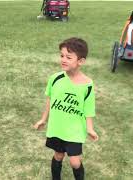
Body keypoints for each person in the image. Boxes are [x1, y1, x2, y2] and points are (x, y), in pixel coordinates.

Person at [33, 37, 99, 180]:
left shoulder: (88, 84)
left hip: (74, 129)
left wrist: (90, 128)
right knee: (58, 155)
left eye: (69, 57)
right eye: (61, 55)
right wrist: (43, 119)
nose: (63, 59)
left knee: (75, 162)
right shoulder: (55, 78)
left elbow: (88, 109)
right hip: (58, 127)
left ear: (80, 61)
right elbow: (49, 100)